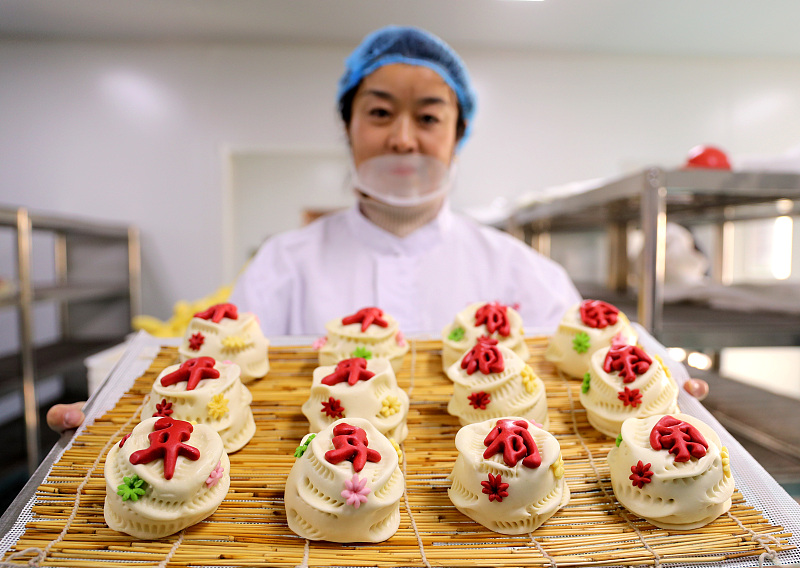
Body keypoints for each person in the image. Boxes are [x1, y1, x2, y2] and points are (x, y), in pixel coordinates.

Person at [47, 26, 706, 432]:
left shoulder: (519, 270)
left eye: (428, 117)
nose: (401, 138)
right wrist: (122, 400)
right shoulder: (285, 261)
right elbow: (207, 367)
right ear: (348, 126)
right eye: (380, 111)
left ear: (458, 134)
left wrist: (659, 377)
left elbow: (596, 356)